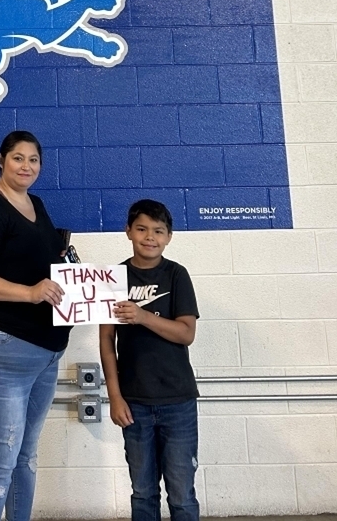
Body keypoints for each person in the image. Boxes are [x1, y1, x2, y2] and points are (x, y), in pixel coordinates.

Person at [0, 130, 71, 521]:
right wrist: (30, 292)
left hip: (45, 352)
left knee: (25, 455)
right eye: (18, 158)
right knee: (0, 459)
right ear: (1, 160)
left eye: (33, 160)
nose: (26, 166)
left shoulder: (36, 203)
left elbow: (36, 262)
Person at [100, 198, 200, 521]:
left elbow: (186, 333)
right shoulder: (113, 278)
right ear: (128, 231)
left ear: (169, 236)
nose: (150, 237)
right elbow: (106, 340)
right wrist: (115, 396)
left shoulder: (176, 274)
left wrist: (142, 316)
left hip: (178, 400)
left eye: (158, 231)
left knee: (182, 495)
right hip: (134, 402)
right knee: (143, 493)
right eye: (141, 229)